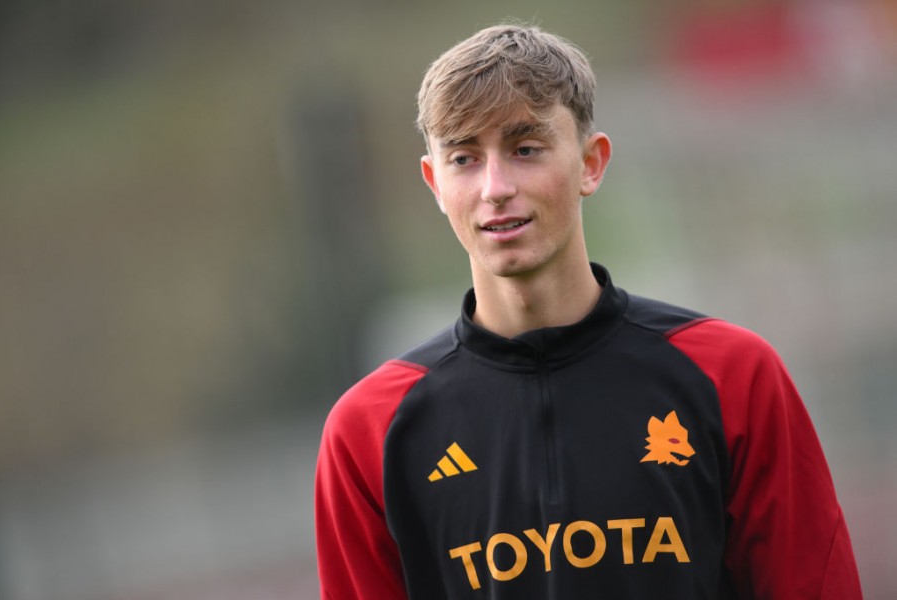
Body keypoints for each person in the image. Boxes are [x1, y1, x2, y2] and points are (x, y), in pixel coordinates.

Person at [314, 24, 862, 599]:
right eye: (464, 158)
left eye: (525, 149)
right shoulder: (370, 431)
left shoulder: (733, 376)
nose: (495, 187)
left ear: (590, 164)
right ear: (434, 184)